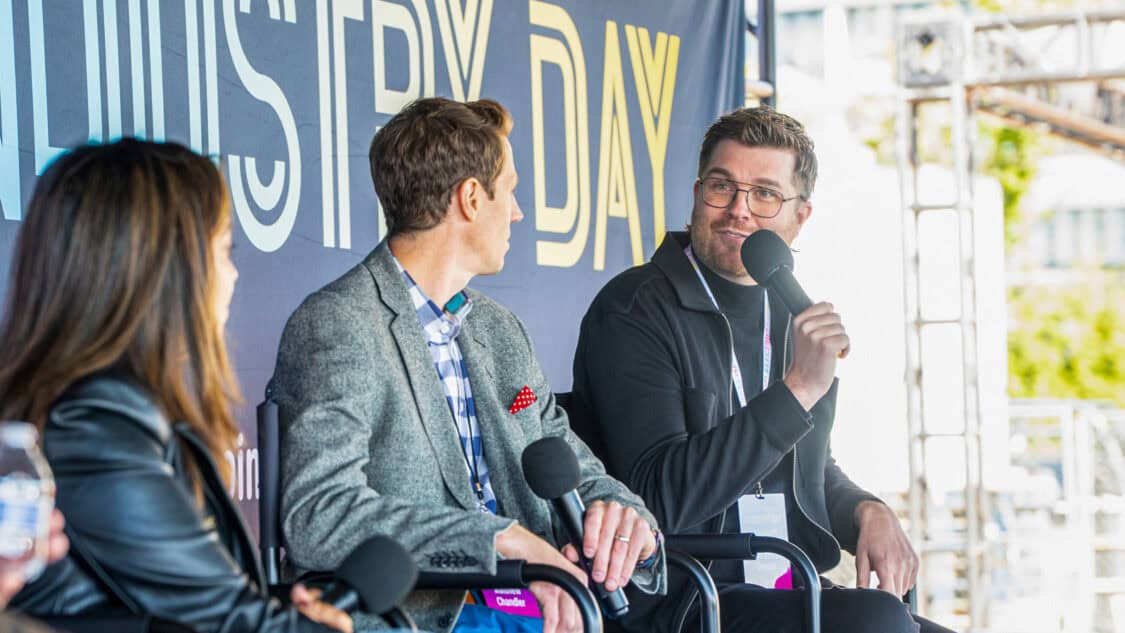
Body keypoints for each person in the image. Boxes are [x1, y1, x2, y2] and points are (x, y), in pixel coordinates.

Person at [271, 97, 666, 633]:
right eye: (511, 190)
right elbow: (319, 515)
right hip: (418, 617)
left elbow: (575, 467)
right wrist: (498, 538)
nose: (518, 212)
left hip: (538, 608)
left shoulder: (500, 331)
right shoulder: (339, 323)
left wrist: (628, 520)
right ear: (472, 198)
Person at [571, 106, 955, 633]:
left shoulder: (790, 311)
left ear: (801, 215)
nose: (739, 210)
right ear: (696, 193)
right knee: (876, 621)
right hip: (680, 595)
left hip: (782, 583)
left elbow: (806, 471)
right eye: (722, 187)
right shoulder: (634, 308)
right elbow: (658, 498)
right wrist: (797, 390)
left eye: (765, 194)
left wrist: (866, 510)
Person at [0, 139, 351, 633]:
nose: (232, 275)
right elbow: (227, 622)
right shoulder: (92, 428)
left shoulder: (101, 414)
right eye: (224, 251)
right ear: (167, 271)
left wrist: (280, 609)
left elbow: (179, 605)